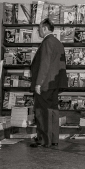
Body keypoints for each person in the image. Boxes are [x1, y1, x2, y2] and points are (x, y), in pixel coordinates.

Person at [29, 18, 68, 148]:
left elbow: (44, 64)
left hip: (45, 83)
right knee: (53, 111)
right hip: (55, 83)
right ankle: (54, 139)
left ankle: (44, 140)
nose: (39, 31)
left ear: (45, 28)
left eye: (40, 29)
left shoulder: (47, 43)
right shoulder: (58, 43)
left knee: (42, 111)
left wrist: (38, 83)